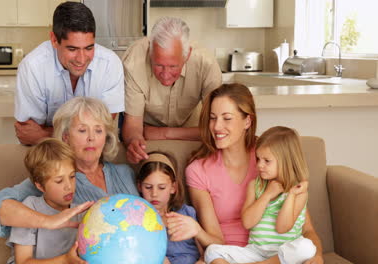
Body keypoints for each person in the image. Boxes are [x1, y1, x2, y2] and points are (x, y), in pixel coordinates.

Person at [176, 83, 324, 264]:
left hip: (281, 253)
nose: (216, 127)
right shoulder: (198, 170)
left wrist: (317, 256)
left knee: (305, 248)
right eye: (213, 118)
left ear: (247, 121)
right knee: (213, 255)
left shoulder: (271, 158)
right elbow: (216, 240)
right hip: (235, 255)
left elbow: (306, 229)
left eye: (227, 118)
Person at [0, 97, 139, 238]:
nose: (91, 138)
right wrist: (49, 221)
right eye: (82, 130)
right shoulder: (56, 178)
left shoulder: (125, 173)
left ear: (106, 136)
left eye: (98, 130)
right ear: (66, 137)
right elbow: (0, 205)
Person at [14, 2, 124, 145]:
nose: (82, 59)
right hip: (50, 156)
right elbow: (27, 134)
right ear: (54, 40)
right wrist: (85, 132)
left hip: (92, 156)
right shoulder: (32, 67)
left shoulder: (110, 64)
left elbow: (104, 129)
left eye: (89, 48)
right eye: (72, 49)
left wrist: (47, 134)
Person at [204, 126, 316, 264]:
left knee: (306, 248)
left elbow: (282, 228)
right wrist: (267, 195)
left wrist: (291, 194)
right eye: (258, 159)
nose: (259, 165)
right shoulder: (255, 186)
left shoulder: (299, 192)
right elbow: (247, 222)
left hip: (283, 255)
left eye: (267, 161)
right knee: (212, 250)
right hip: (256, 252)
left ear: (287, 161)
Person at [122, 16, 223, 163]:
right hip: (147, 134)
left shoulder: (206, 64)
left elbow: (217, 128)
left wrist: (165, 133)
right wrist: (133, 141)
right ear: (150, 52)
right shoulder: (134, 61)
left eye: (173, 66)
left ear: (187, 55)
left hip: (190, 131)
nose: (165, 74)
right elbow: (132, 126)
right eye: (158, 65)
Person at [7, 138, 86, 264]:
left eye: (72, 177)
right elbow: (22, 261)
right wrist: (65, 260)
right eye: (59, 181)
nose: (69, 186)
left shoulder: (80, 213)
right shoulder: (29, 208)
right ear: (40, 186)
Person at [136, 151, 204, 264]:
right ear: (139, 186)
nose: (154, 194)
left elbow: (204, 253)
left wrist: (202, 261)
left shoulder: (187, 213)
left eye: (161, 188)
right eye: (148, 187)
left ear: (173, 187)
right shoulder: (137, 220)